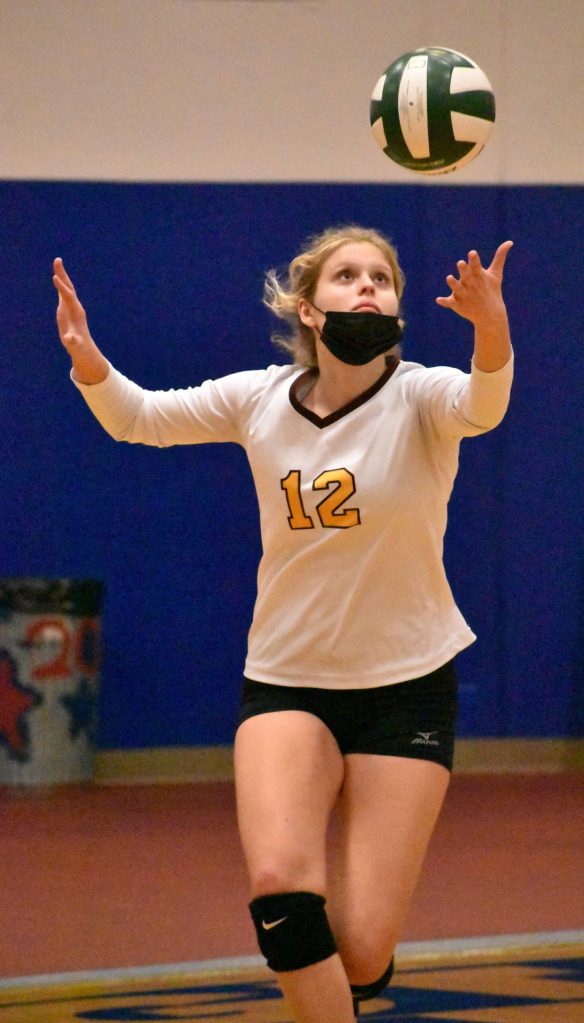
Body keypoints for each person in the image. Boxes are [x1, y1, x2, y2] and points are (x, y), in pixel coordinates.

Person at [53, 225, 513, 1023]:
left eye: (381, 277)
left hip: (407, 683)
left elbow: (486, 402)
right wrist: (87, 357)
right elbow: (140, 417)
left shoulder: (422, 396)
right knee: (281, 894)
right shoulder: (260, 398)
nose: (367, 286)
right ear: (308, 307)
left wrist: (491, 328)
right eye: (347, 275)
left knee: (361, 949)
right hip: (287, 679)